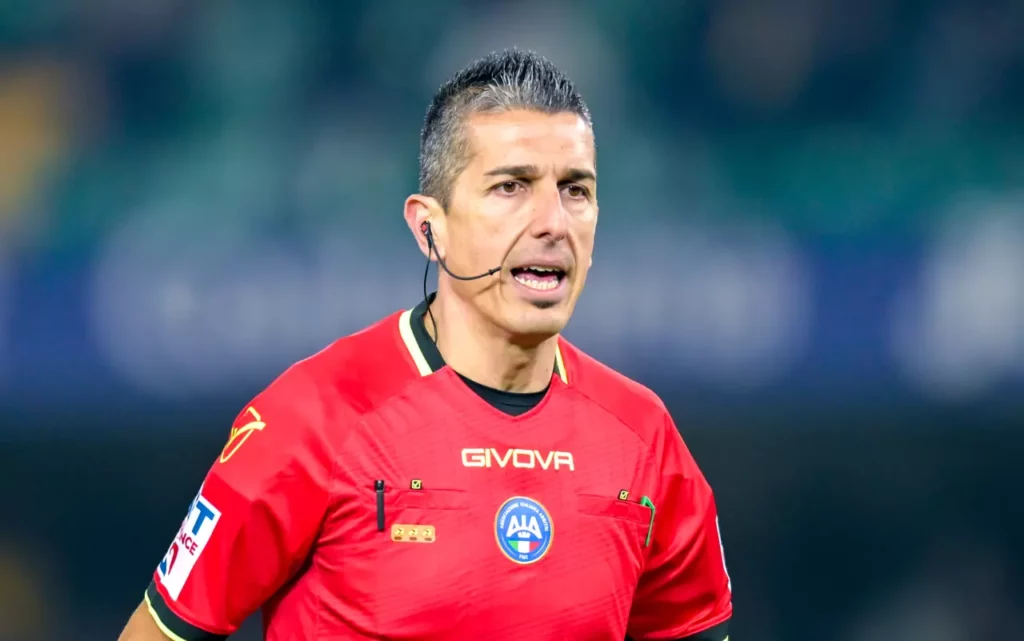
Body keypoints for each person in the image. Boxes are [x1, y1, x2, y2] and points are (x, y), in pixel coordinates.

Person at [118, 49, 733, 641]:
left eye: (575, 189)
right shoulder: (309, 419)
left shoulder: (645, 438)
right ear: (429, 228)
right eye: (511, 186)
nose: (552, 222)